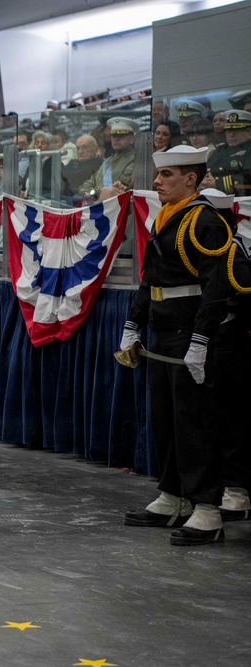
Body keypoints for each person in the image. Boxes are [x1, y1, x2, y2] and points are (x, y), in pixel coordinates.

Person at [120, 146, 238, 546]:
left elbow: (217, 288)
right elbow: (149, 277)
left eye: (166, 175)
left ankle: (207, 507)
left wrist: (203, 339)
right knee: (166, 418)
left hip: (191, 331)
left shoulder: (207, 221)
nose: (157, 182)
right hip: (163, 328)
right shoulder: (166, 217)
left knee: (195, 422)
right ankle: (174, 496)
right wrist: (133, 324)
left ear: (192, 178)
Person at [79, 117, 137, 201]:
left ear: (131, 139)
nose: (116, 139)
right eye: (113, 135)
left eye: (121, 135)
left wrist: (93, 193)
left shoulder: (134, 160)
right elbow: (87, 184)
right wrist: (88, 192)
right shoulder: (107, 161)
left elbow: (119, 189)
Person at [207, 110, 251, 197]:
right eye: (228, 130)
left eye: (236, 131)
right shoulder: (221, 149)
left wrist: (217, 184)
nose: (231, 135)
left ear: (249, 132)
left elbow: (247, 178)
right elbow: (207, 169)